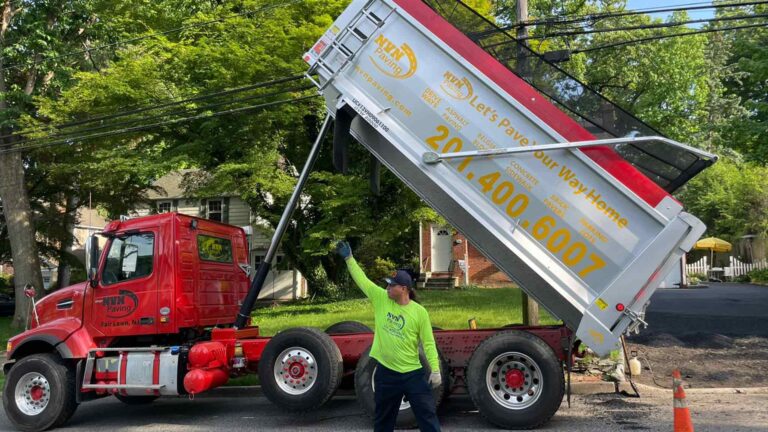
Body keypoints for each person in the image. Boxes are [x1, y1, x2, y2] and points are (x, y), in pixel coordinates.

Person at [336, 241, 442, 432]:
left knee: (428, 418)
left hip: (413, 375)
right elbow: (362, 280)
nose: (387, 288)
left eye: (391, 285)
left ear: (403, 289)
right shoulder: (381, 299)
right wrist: (349, 259)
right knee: (383, 421)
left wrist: (435, 369)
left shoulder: (419, 313)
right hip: (386, 374)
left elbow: (428, 343)